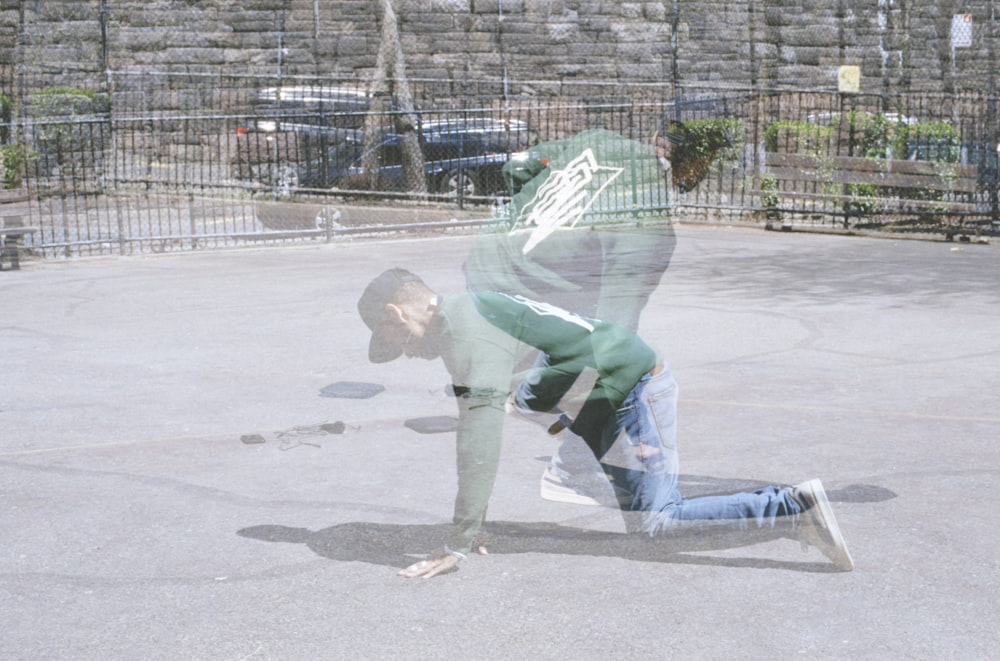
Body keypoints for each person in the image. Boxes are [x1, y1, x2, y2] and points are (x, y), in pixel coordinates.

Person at [357, 268, 854, 579]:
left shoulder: (466, 335)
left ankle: (795, 508)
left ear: (395, 313)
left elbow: (479, 441)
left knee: (658, 523)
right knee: (649, 522)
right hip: (616, 397)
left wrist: (460, 542)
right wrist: (609, 441)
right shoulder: (467, 313)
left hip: (630, 388)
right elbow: (554, 380)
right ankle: (792, 509)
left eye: (394, 341)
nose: (404, 355)